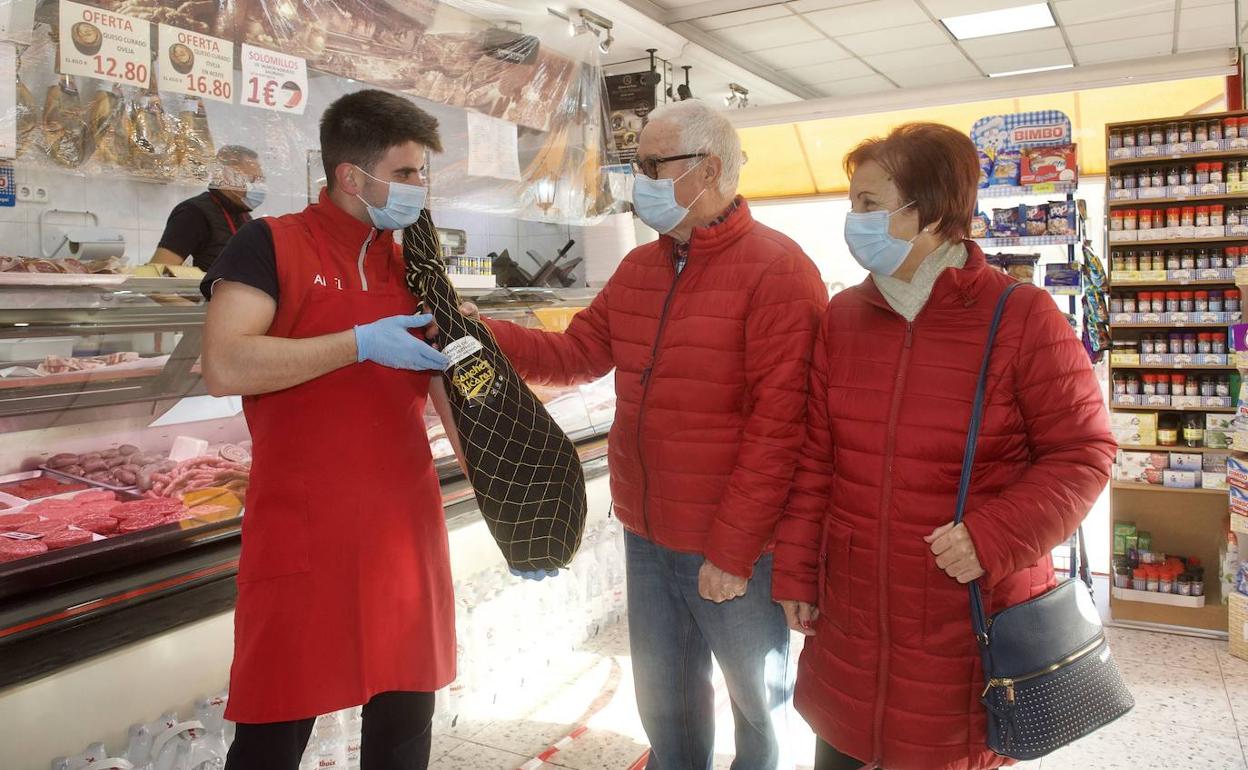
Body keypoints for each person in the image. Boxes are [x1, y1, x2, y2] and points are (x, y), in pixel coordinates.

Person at [479, 100, 828, 769]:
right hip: (647, 535)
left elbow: (782, 429)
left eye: (649, 165)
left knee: (760, 710)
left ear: (710, 170)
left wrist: (731, 550)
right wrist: (483, 332)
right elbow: (575, 356)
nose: (635, 181)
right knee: (666, 709)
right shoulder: (642, 268)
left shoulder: (779, 272)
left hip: (735, 547)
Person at [771, 122, 1115, 770]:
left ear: (928, 213)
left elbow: (1085, 452)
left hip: (965, 625)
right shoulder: (843, 319)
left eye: (868, 204)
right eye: (852, 204)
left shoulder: (1022, 317)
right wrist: (795, 571)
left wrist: (991, 536)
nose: (853, 219)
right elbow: (817, 458)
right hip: (851, 622)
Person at [200, 90, 458, 770]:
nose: (419, 188)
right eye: (406, 173)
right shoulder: (270, 243)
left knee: (404, 730)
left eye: (421, 173)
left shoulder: (416, 265)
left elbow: (445, 382)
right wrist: (357, 342)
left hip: (405, 530)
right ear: (352, 175)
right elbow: (224, 363)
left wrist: (512, 500)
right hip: (304, 532)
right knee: (272, 737)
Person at [152, 145, 266, 270]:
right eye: (252, 179)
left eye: (260, 180)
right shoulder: (193, 213)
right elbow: (160, 271)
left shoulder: (244, 216)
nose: (258, 187)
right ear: (226, 175)